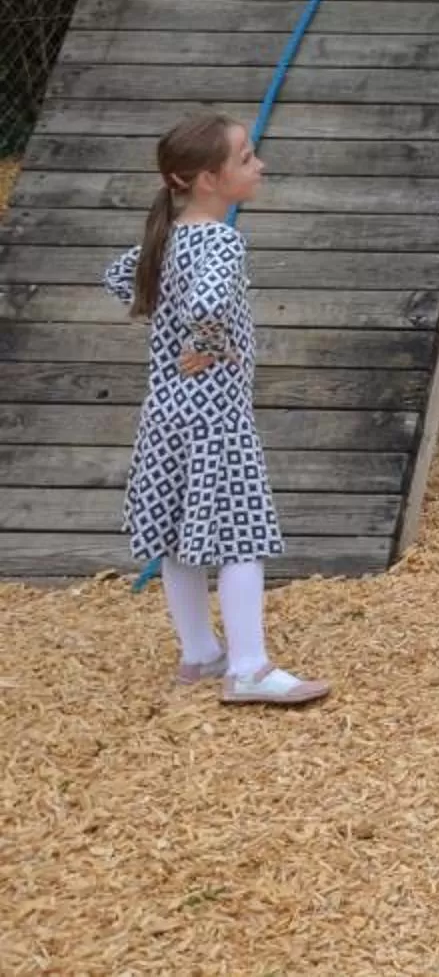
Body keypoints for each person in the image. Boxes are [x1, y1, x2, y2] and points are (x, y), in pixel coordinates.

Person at [104, 113, 329, 706]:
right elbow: (208, 301)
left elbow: (117, 276)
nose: (260, 166)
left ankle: (200, 652)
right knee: (240, 535)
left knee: (179, 534)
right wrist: (205, 345)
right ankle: (249, 669)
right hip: (215, 415)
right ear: (208, 178)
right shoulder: (222, 239)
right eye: (247, 157)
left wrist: (181, 333)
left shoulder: (168, 237)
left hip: (166, 412)